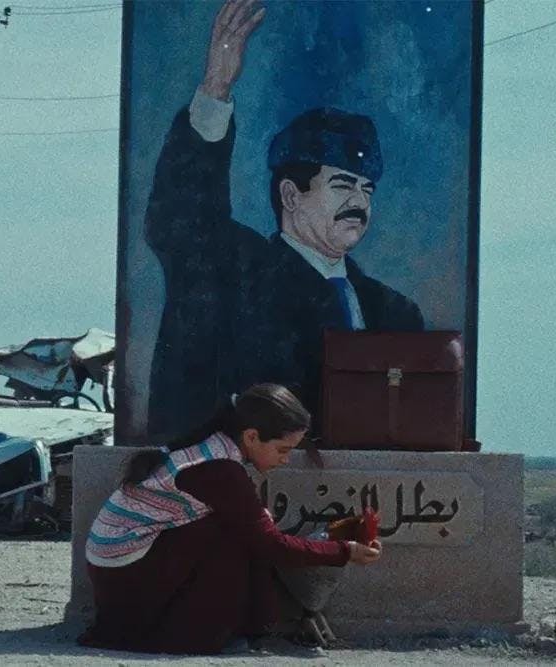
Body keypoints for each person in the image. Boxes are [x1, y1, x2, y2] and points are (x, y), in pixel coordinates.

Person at [146, 0, 424, 441]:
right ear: (291, 195)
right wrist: (216, 89)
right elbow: (183, 214)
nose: (359, 201)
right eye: (342, 185)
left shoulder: (393, 312)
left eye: (367, 189)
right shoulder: (233, 271)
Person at [80, 383, 381, 655]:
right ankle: (187, 637)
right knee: (241, 537)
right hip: (125, 577)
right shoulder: (219, 469)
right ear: (251, 436)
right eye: (282, 449)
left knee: (248, 527)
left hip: (129, 570)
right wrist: (345, 552)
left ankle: (245, 625)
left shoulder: (219, 453)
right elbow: (271, 545)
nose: (285, 460)